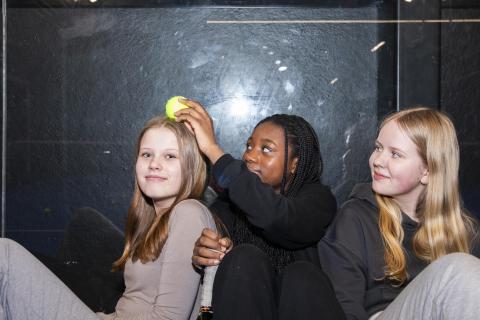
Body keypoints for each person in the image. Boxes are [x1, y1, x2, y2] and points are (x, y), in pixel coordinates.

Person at [0, 116, 217, 320]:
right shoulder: (153, 220)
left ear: (191, 166)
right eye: (146, 154)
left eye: (170, 156)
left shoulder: (188, 212)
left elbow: (168, 318)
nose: (154, 164)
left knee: (5, 255)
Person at [175, 100, 345, 320]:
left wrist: (213, 150)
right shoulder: (227, 207)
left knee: (300, 275)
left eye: (266, 149)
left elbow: (277, 217)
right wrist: (203, 254)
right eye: (249, 146)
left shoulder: (317, 201)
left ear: (294, 163)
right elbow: (209, 267)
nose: (250, 156)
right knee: (243, 259)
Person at [318, 107, 480, 320]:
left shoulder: (462, 229)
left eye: (395, 154)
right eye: (378, 148)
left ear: (428, 171)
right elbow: (341, 305)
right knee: (458, 269)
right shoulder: (356, 217)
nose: (378, 160)